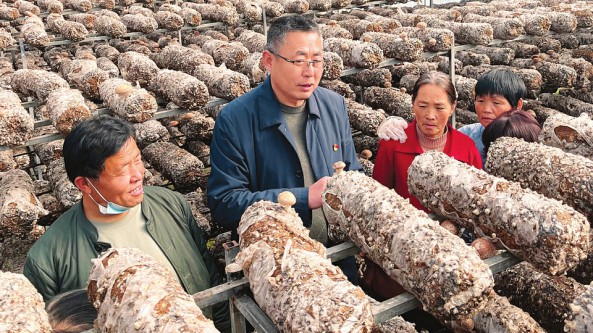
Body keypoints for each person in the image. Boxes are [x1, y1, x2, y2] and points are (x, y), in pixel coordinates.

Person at [24, 115, 229, 331]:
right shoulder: (47, 259)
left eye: (137, 160)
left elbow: (211, 279)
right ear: (84, 183)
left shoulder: (170, 204)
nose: (138, 174)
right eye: (122, 170)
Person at [207, 15, 362, 282]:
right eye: (299, 61)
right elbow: (225, 203)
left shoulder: (333, 105)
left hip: (338, 257)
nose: (310, 72)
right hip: (278, 268)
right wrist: (304, 198)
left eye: (317, 60)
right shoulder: (235, 119)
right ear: (269, 61)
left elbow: (353, 173)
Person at [363, 72, 482, 307]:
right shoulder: (394, 144)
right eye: (422, 105)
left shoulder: (465, 148)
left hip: (448, 261)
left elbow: (475, 208)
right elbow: (377, 201)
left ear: (452, 107)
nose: (430, 116)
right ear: (412, 105)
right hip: (399, 258)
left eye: (439, 107)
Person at [378, 68, 527, 163]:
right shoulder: (468, 137)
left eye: (496, 102)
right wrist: (393, 123)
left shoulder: (528, 139)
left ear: (518, 105)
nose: (486, 109)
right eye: (480, 101)